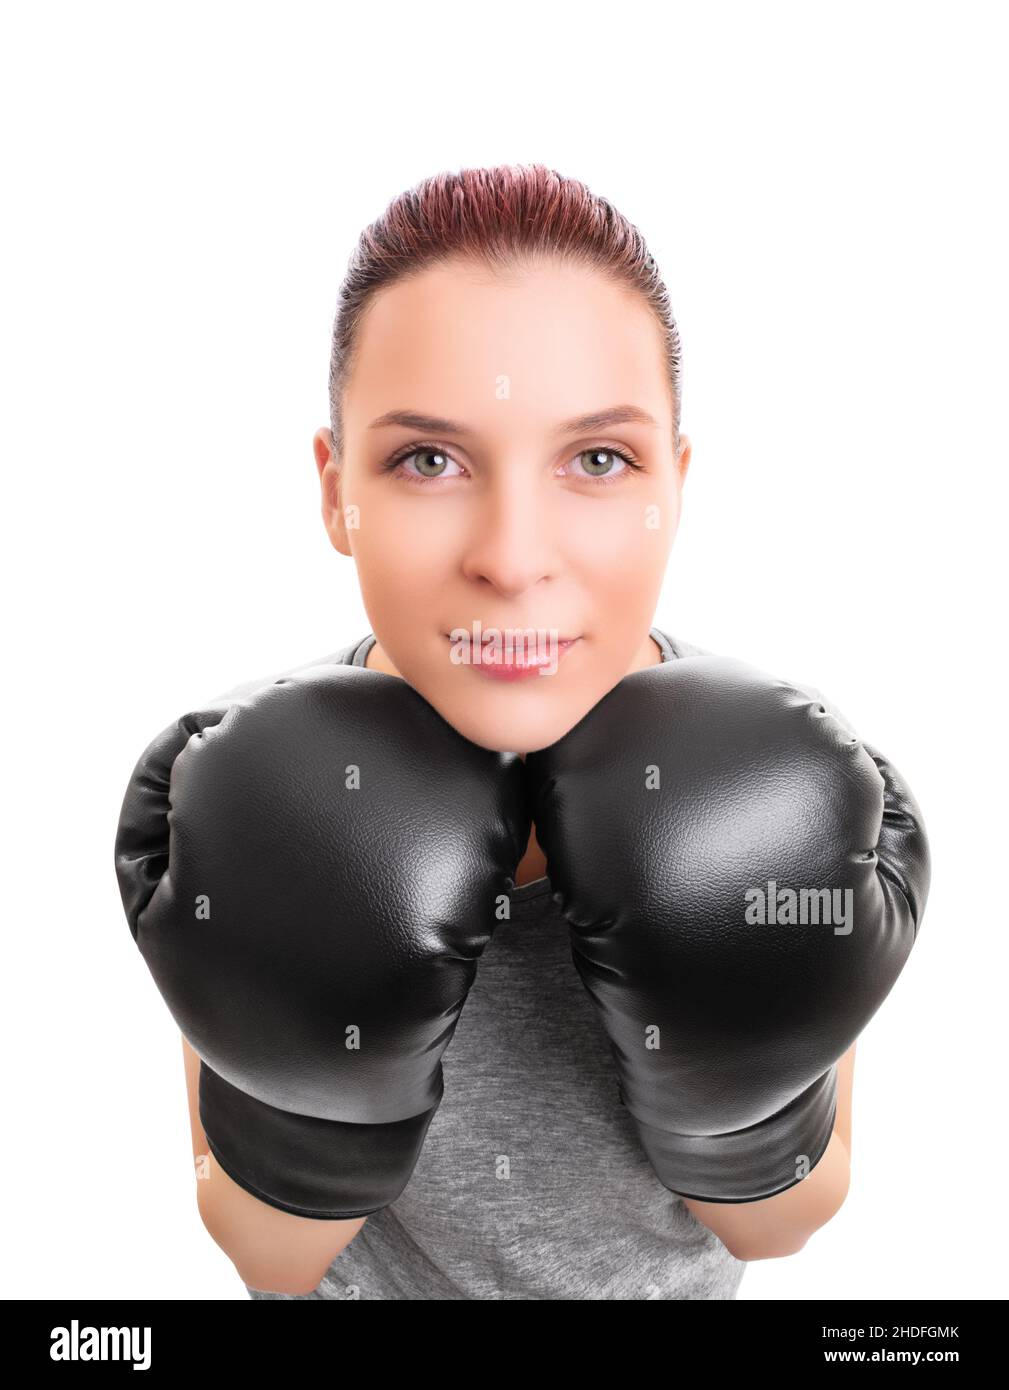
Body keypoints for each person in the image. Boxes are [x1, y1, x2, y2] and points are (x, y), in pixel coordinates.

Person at [116, 164, 926, 1300]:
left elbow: (777, 1228)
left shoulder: (770, 782)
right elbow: (267, 1259)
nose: (511, 555)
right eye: (427, 459)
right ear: (334, 490)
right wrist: (311, 1111)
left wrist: (735, 1103)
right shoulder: (261, 789)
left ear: (672, 487)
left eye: (598, 460)